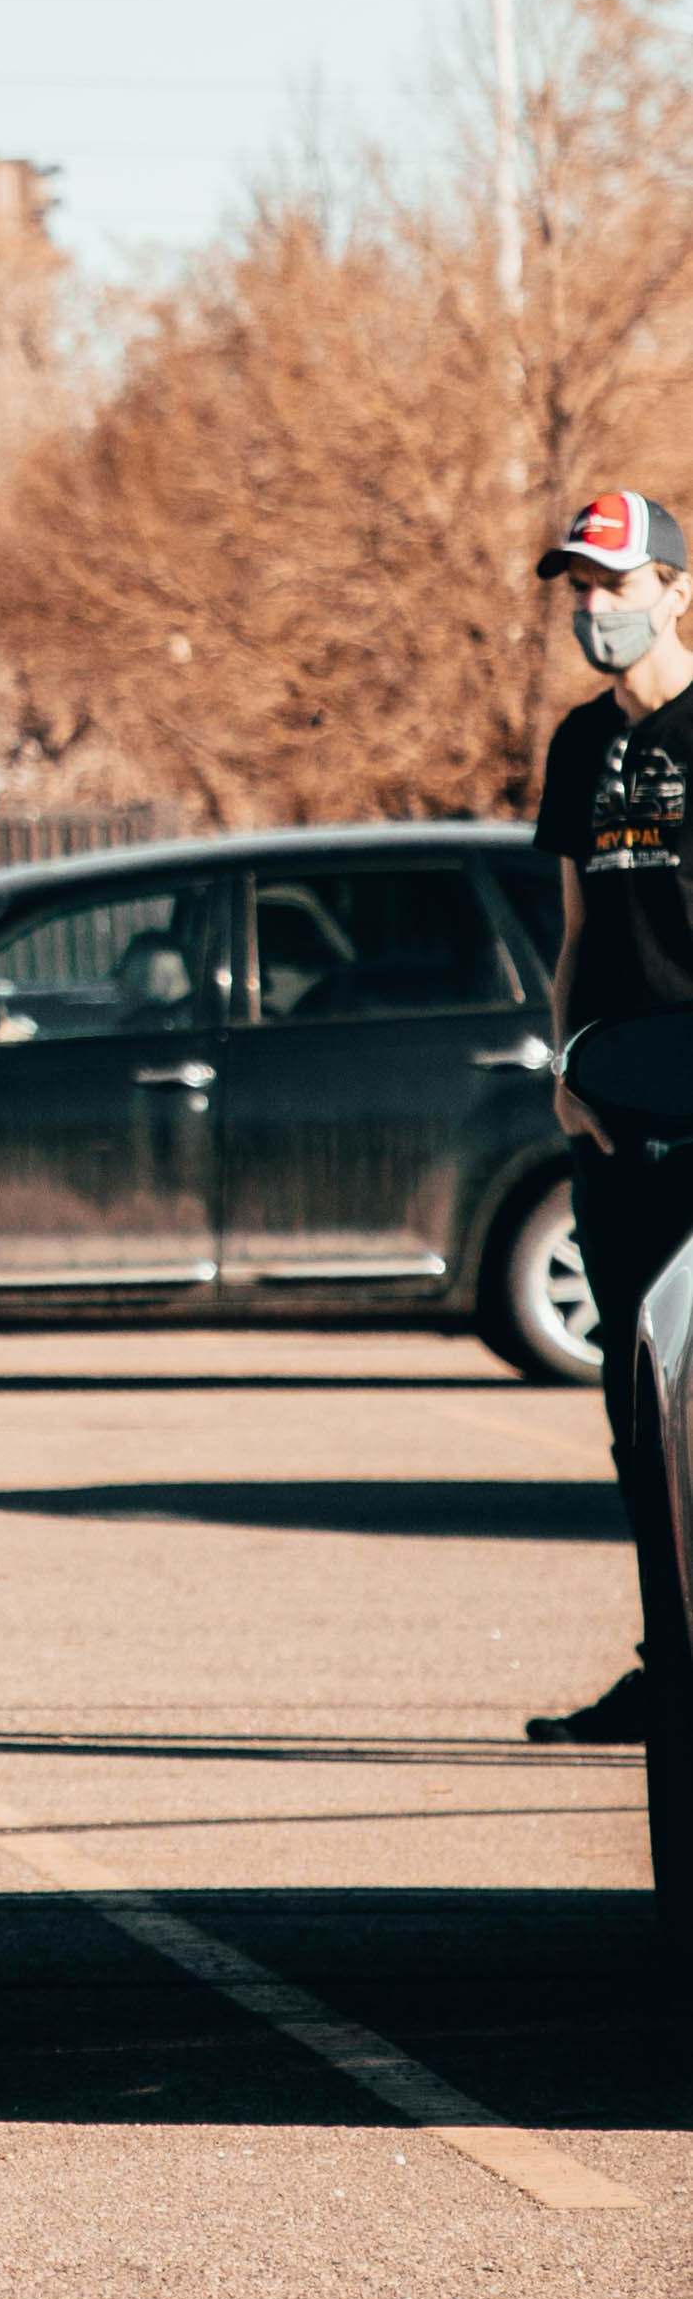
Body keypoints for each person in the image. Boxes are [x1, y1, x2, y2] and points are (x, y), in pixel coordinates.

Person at [527, 489, 693, 1744]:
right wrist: (561, 1072)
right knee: (637, 1417)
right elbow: (578, 930)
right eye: (578, 590)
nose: (592, 611)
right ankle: (667, 1666)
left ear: (675, 593)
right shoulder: (581, 745)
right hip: (615, 1115)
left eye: (614, 588)